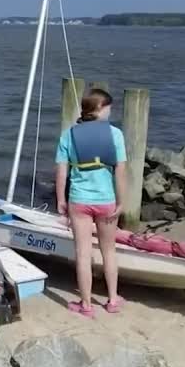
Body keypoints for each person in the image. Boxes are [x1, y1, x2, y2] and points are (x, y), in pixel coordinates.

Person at [55, 88, 127, 318]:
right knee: (109, 251)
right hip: (106, 200)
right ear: (98, 109)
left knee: (83, 254)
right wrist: (122, 201)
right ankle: (113, 299)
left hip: (79, 200)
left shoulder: (69, 135)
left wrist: (60, 199)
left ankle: (86, 304)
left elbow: (61, 171)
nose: (110, 112)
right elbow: (120, 171)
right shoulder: (115, 134)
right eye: (108, 107)